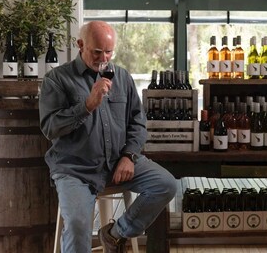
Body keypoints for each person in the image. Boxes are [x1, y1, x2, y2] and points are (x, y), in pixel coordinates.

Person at [39, 21, 177, 253]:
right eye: (97, 52)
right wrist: (87, 105)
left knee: (165, 184)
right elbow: (50, 128)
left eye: (109, 52)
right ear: (80, 45)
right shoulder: (57, 79)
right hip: (75, 168)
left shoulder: (122, 77)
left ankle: (115, 234)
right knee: (76, 225)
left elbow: (138, 122)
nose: (104, 59)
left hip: (116, 162)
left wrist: (129, 156)